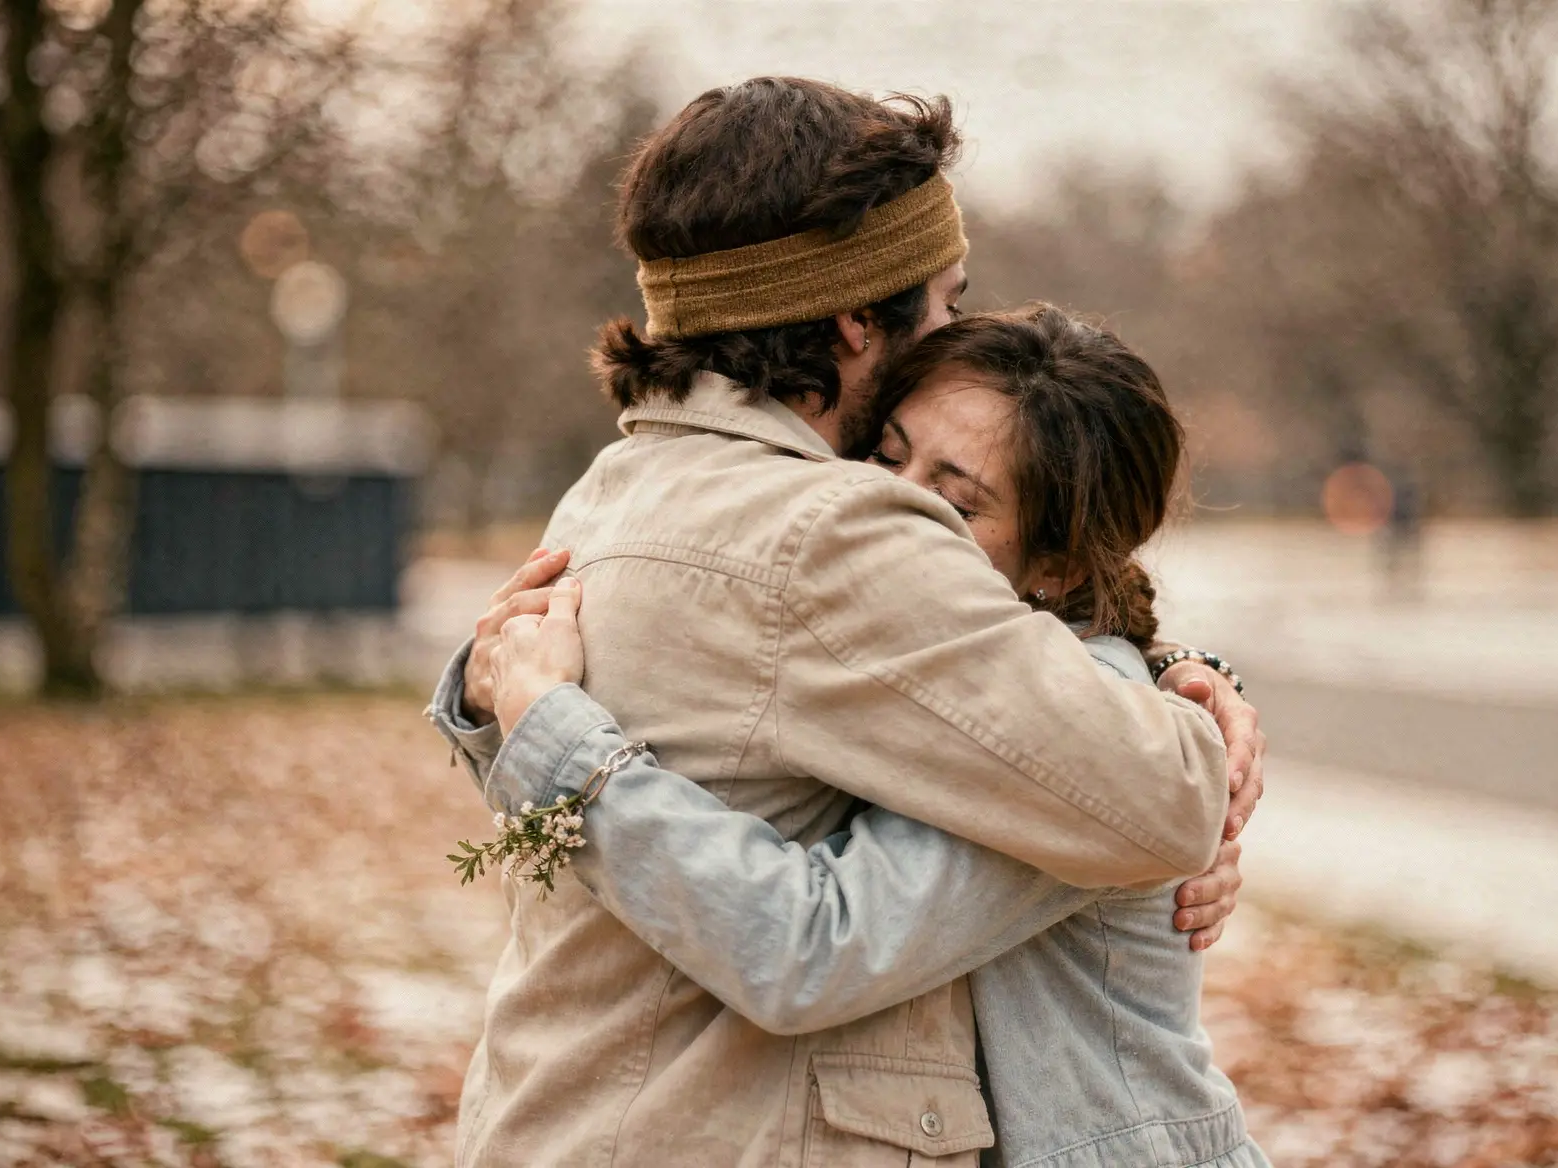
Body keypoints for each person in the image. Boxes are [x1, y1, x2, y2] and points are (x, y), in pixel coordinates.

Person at [424, 79, 1266, 1165]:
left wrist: (1162, 666)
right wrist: (1171, 726)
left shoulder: (618, 484)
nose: (954, 330)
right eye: (945, 297)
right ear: (856, 320)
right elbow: (1158, 797)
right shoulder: (829, 530)